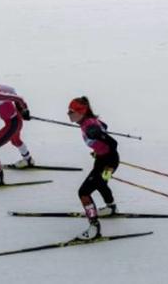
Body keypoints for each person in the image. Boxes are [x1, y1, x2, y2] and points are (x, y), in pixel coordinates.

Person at [68, 96, 120, 240]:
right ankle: (111, 207)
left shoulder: (89, 125)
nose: (68, 114)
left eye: (71, 111)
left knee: (84, 192)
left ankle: (94, 228)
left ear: (81, 112)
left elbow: (113, 143)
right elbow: (104, 125)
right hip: (107, 160)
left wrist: (98, 135)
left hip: (108, 162)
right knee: (102, 183)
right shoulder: (87, 122)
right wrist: (98, 149)